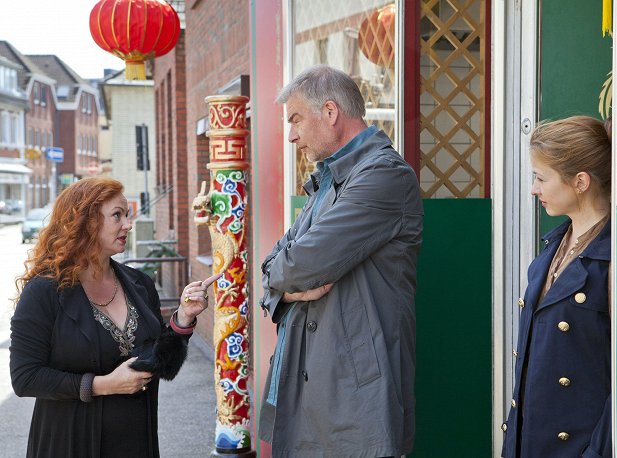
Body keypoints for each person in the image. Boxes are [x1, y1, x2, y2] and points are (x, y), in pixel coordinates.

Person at [258, 64, 423, 457]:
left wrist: (283, 279)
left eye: (296, 119)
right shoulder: (329, 179)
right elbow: (272, 266)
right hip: (312, 381)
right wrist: (283, 291)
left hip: (352, 395)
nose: (291, 134)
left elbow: (298, 264)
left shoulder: (384, 175)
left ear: (330, 112)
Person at [10, 177, 220, 458]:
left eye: (127, 214)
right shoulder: (44, 291)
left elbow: (160, 366)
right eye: (117, 215)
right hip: (70, 442)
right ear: (85, 222)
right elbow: (25, 377)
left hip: (136, 441)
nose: (128, 224)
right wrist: (102, 385)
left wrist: (183, 320)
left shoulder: (140, 284)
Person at [502, 116, 612, 457]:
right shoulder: (555, 245)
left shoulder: (615, 257)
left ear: (580, 181)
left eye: (540, 178)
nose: (534, 189)